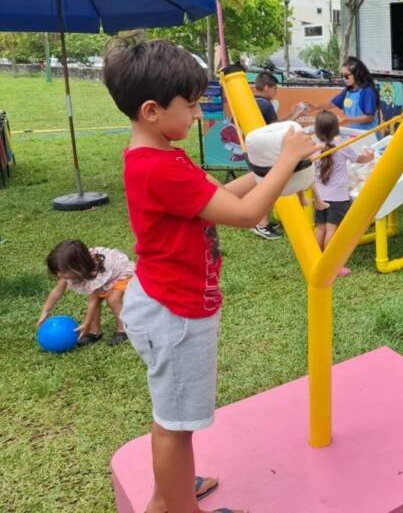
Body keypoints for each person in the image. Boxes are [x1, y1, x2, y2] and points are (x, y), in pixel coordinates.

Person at [102, 39, 318, 513]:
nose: (199, 114)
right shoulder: (160, 167)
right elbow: (243, 215)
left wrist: (272, 170)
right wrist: (284, 161)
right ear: (152, 110)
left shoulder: (156, 157)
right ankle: (179, 507)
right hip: (175, 314)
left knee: (173, 423)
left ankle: (173, 494)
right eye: (192, 104)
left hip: (162, 302)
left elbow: (218, 197)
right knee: (175, 426)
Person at [312, 111, 375, 276]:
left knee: (321, 228)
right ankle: (332, 266)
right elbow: (359, 159)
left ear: (317, 129)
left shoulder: (314, 146)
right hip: (338, 197)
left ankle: (316, 260)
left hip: (319, 195)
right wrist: (370, 157)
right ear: (336, 128)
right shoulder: (341, 145)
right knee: (332, 230)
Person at [40, 240, 135, 346]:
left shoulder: (93, 272)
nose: (59, 275)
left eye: (62, 271)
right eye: (57, 271)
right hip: (105, 276)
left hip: (121, 274)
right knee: (96, 299)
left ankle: (123, 330)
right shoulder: (71, 270)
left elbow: (92, 301)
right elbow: (57, 291)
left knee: (113, 299)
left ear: (77, 268)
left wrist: (86, 323)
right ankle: (94, 332)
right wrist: (46, 310)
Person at [251, 72, 308, 239]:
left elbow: (274, 124)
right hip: (265, 152)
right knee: (269, 186)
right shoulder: (266, 105)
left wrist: (291, 114)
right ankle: (262, 223)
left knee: (263, 184)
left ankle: (262, 221)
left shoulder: (254, 102)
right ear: (267, 87)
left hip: (256, 148)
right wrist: (296, 116)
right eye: (275, 89)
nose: (276, 93)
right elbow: (276, 128)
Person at [308, 57, 378, 131]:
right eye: (342, 76)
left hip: (369, 134)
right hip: (355, 133)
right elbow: (332, 104)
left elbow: (369, 117)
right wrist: (315, 107)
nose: (344, 79)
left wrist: (347, 120)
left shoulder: (367, 91)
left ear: (357, 74)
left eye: (346, 76)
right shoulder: (348, 91)